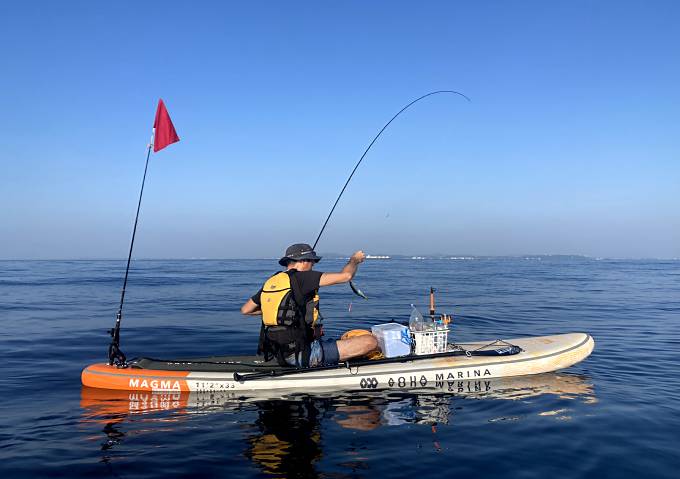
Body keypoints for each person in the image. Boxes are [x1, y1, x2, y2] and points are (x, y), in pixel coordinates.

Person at [241, 243, 378, 368]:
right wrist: (354, 260)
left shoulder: (273, 281)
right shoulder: (303, 277)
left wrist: (281, 311)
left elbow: (246, 310)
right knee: (370, 341)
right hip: (301, 355)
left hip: (277, 353)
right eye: (312, 261)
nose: (313, 265)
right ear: (302, 261)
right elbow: (346, 276)